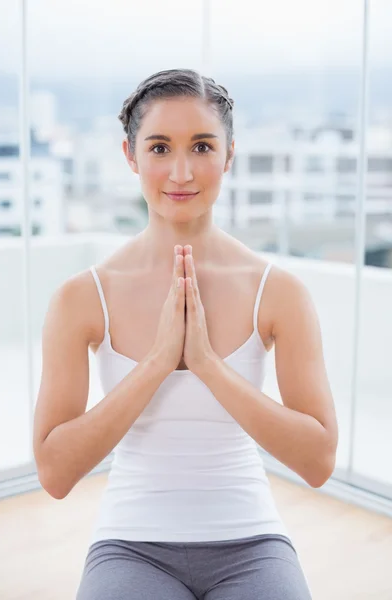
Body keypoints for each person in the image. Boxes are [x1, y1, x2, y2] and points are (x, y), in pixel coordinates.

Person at [33, 68, 338, 599]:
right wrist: (156, 363)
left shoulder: (278, 291)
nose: (180, 171)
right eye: (158, 148)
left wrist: (207, 365)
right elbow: (55, 473)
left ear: (229, 154)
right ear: (130, 157)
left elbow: (318, 462)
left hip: (252, 541)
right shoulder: (82, 298)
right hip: (130, 543)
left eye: (201, 146)